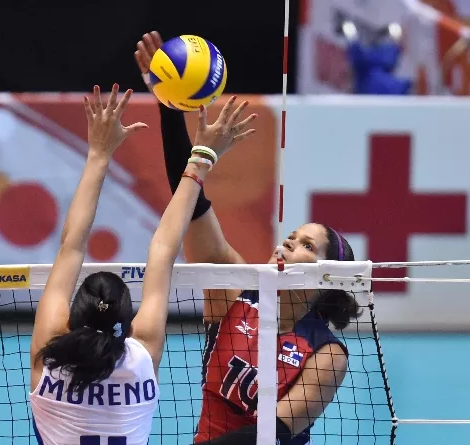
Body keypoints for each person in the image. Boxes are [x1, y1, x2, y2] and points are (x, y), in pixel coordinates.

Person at [135, 32, 361, 445]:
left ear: (328, 275)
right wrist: (170, 106)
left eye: (308, 246)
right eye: (292, 237)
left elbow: (273, 432)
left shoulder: (327, 354)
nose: (289, 244)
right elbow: (191, 204)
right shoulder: (236, 291)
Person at [30, 83, 227, 445]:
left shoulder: (51, 358)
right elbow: (164, 247)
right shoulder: (141, 356)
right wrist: (202, 157)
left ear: (70, 318)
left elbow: (71, 247)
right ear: (128, 322)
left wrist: (98, 154)